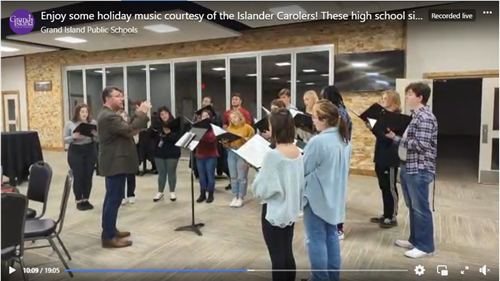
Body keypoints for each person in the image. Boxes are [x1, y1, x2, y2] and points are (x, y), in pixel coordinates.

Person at [385, 82, 437, 259]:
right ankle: (415, 240)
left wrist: (396, 138)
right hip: (408, 166)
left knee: (421, 208)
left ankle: (425, 246)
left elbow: (421, 146)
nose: (406, 97)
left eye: (409, 94)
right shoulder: (415, 116)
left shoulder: (426, 118)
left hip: (419, 169)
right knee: (413, 207)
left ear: (420, 97)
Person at [251, 108, 303, 281]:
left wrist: (259, 173)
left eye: (270, 125)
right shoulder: (297, 151)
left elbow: (261, 190)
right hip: (290, 210)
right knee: (287, 251)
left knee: (277, 258)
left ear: (277, 128)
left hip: (274, 211)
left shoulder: (273, 155)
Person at [302, 100, 352, 281]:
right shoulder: (344, 139)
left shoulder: (318, 141)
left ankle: (319, 278)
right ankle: (332, 276)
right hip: (335, 198)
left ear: (323, 119)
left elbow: (303, 169)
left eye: (314, 116)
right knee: (331, 237)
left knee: (315, 239)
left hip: (317, 198)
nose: (312, 120)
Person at [97, 86, 151, 248]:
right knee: (114, 199)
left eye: (122, 96)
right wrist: (141, 112)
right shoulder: (108, 116)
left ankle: (109, 229)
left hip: (116, 161)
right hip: (115, 162)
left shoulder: (111, 115)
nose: (122, 99)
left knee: (112, 198)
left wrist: (137, 116)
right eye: (117, 96)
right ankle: (108, 237)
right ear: (107, 99)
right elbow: (128, 129)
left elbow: (126, 131)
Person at [321, 85, 352, 239]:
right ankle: (334, 225)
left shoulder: (338, 113)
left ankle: (338, 227)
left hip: (337, 156)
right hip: (337, 156)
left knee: (336, 194)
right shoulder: (341, 110)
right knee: (334, 193)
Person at [368, 90, 402, 228]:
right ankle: (386, 214)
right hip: (380, 155)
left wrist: (375, 129)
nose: (382, 100)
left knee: (390, 187)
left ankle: (392, 216)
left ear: (393, 100)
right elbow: (381, 137)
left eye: (385, 98)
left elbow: (391, 139)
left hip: (390, 157)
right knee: (383, 186)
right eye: (381, 98)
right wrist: (372, 128)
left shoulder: (398, 117)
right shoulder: (383, 116)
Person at [63, 103, 98, 211]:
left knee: (88, 175)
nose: (85, 114)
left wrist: (96, 135)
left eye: (86, 112)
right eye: (82, 112)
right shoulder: (70, 123)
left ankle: (86, 199)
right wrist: (73, 137)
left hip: (90, 149)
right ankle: (79, 199)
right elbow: (64, 139)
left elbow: (98, 139)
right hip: (76, 150)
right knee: (79, 175)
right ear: (77, 113)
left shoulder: (93, 122)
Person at [223, 110, 255, 207]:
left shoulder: (248, 128)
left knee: (241, 177)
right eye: (231, 118)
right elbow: (227, 143)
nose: (233, 120)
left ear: (240, 117)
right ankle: (235, 195)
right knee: (233, 176)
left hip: (243, 152)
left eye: (235, 118)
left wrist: (245, 138)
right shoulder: (229, 128)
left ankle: (241, 196)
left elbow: (254, 141)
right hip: (231, 152)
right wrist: (225, 142)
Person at [151, 106, 181, 202]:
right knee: (161, 173)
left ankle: (172, 191)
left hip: (172, 152)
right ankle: (160, 192)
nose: (164, 116)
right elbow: (151, 137)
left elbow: (178, 138)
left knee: (171, 172)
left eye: (166, 114)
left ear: (169, 114)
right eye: (162, 114)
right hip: (159, 152)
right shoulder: (157, 125)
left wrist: (169, 133)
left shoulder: (176, 124)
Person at [195, 110, 219, 203]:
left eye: (206, 115)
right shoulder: (197, 127)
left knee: (210, 176)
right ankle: (202, 194)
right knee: (201, 176)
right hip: (199, 154)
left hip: (211, 155)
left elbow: (211, 139)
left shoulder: (213, 127)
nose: (204, 117)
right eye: (202, 116)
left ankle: (211, 195)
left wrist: (200, 136)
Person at [117, 109, 138, 205]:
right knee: (121, 176)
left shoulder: (130, 127)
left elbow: (136, 140)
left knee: (131, 175)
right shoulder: (117, 128)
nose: (124, 118)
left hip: (130, 153)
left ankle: (131, 194)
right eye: (121, 117)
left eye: (125, 116)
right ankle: (121, 195)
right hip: (120, 154)